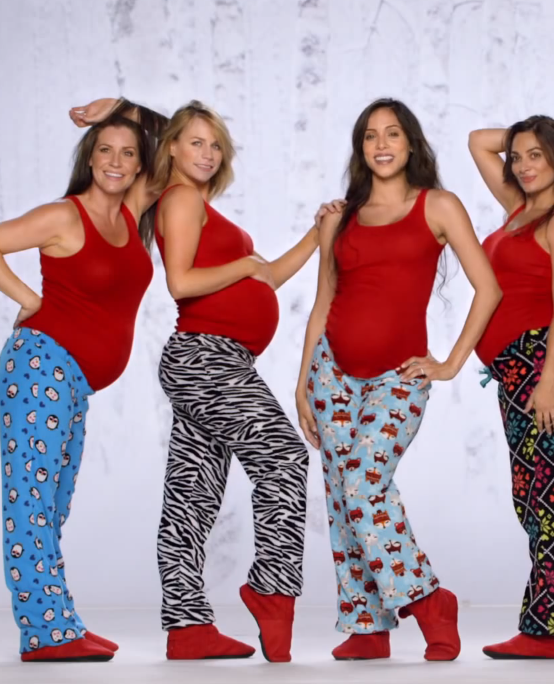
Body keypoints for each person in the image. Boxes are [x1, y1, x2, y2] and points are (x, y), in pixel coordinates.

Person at [295, 98, 502, 661]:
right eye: (370, 135)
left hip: (399, 374)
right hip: (331, 373)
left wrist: (452, 362)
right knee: (342, 496)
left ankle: (430, 601)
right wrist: (302, 383)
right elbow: (323, 302)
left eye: (392, 133)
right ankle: (367, 625)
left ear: (411, 143)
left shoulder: (438, 205)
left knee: (363, 484)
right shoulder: (341, 216)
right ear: (360, 148)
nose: (381, 144)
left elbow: (488, 288)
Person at [0, 100, 166, 662]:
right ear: (89, 157)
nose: (116, 161)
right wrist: (29, 298)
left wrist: (122, 107)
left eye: (128, 152)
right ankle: (45, 632)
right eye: (105, 150)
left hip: (72, 381)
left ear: (139, 162)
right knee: (31, 501)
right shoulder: (64, 216)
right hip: (39, 368)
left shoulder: (131, 210)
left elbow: (178, 140)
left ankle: (60, 621)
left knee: (51, 503)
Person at [152, 101, 324, 662]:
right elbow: (181, 282)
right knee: (284, 458)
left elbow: (268, 275)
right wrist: (246, 266)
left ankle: (187, 627)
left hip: (217, 362)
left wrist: (316, 234)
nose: (207, 153)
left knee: (192, 494)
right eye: (195, 142)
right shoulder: (180, 198)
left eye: (215, 144)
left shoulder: (204, 209)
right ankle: (272, 589)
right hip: (206, 359)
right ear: (171, 147)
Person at [468, 116, 554, 659]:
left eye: (537, 156)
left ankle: (552, 627)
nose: (524, 166)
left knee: (547, 493)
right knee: (535, 494)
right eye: (519, 157)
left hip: (545, 365)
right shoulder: (518, 209)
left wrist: (548, 380)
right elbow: (478, 142)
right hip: (517, 369)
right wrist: (531, 138)